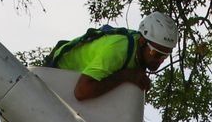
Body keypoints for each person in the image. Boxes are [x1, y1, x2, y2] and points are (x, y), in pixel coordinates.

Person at [45, 12, 180, 101]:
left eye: (165, 56)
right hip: (56, 74)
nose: (160, 61)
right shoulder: (118, 49)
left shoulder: (139, 54)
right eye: (156, 54)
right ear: (143, 41)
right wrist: (126, 76)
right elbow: (81, 92)